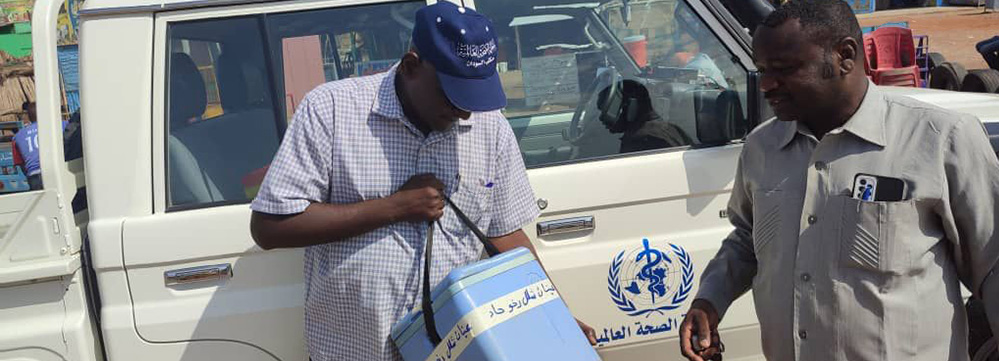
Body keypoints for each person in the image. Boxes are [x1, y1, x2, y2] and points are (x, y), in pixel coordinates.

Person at [248, 3, 595, 361]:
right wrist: (394, 207)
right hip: (354, 353)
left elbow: (505, 235)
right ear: (411, 66)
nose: (464, 112)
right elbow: (271, 226)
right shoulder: (331, 111)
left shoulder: (490, 127)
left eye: (473, 97)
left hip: (456, 351)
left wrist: (555, 315)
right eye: (452, 96)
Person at [678, 1, 999, 361]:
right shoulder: (761, 147)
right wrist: (710, 299)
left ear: (844, 56)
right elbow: (745, 239)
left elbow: (993, 262)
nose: (767, 84)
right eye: (762, 70)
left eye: (785, 69)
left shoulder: (940, 139)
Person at [11, 101, 68, 190]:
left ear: (29, 117)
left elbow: (20, 163)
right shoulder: (61, 125)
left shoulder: (17, 137)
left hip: (34, 176)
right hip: (55, 171)